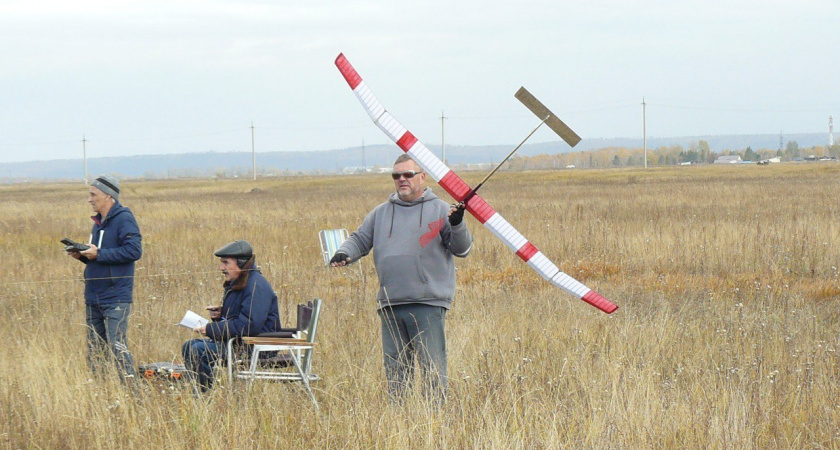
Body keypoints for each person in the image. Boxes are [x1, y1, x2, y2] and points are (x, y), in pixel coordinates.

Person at [330, 154, 473, 403]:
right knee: (396, 372)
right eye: (396, 176)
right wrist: (345, 253)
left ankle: (434, 422)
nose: (402, 180)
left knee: (432, 370)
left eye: (408, 174)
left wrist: (457, 224)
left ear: (422, 177)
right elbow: (360, 239)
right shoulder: (381, 213)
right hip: (390, 304)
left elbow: (462, 249)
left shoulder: (441, 209)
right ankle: (401, 420)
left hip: (428, 303)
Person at [67, 174, 142, 383]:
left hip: (116, 296)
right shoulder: (97, 224)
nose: (89, 199)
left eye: (93, 195)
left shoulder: (124, 218)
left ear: (108, 196)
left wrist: (98, 254)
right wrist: (83, 256)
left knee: (117, 347)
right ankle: (101, 394)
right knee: (95, 351)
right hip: (94, 297)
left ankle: (132, 393)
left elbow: (134, 251)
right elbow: (101, 257)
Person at [182, 240, 281, 392]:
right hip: (241, 343)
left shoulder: (256, 286)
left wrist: (211, 329)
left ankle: (203, 396)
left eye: (226, 263)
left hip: (256, 348)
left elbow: (249, 325)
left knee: (198, 350)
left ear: (241, 264)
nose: (222, 268)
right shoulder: (242, 282)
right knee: (188, 346)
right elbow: (240, 318)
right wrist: (220, 315)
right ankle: (200, 392)